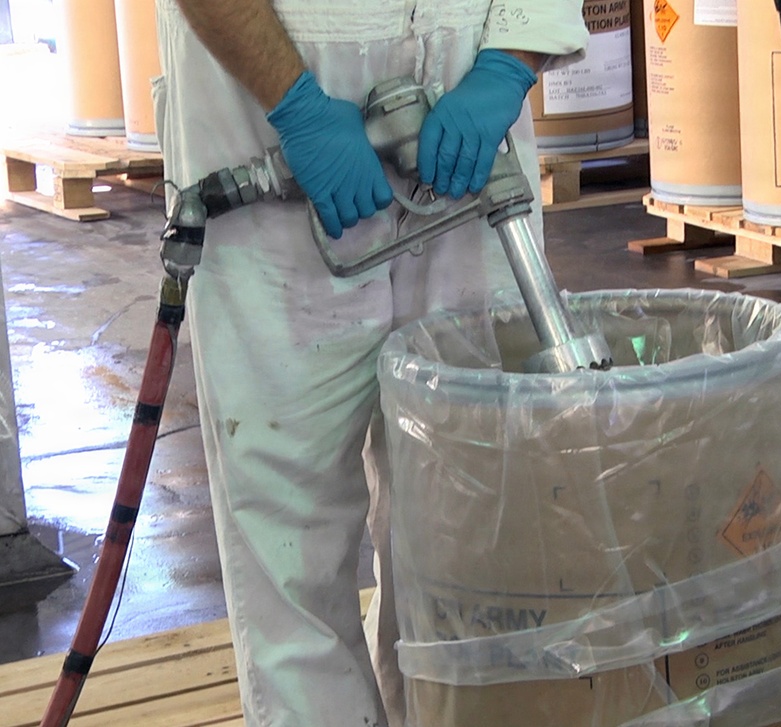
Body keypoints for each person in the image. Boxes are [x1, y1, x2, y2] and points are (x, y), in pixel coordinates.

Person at [152, 1, 588, 725]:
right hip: (264, 93)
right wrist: (295, 105)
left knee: (479, 504)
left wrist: (514, 56)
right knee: (291, 530)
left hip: (464, 81)